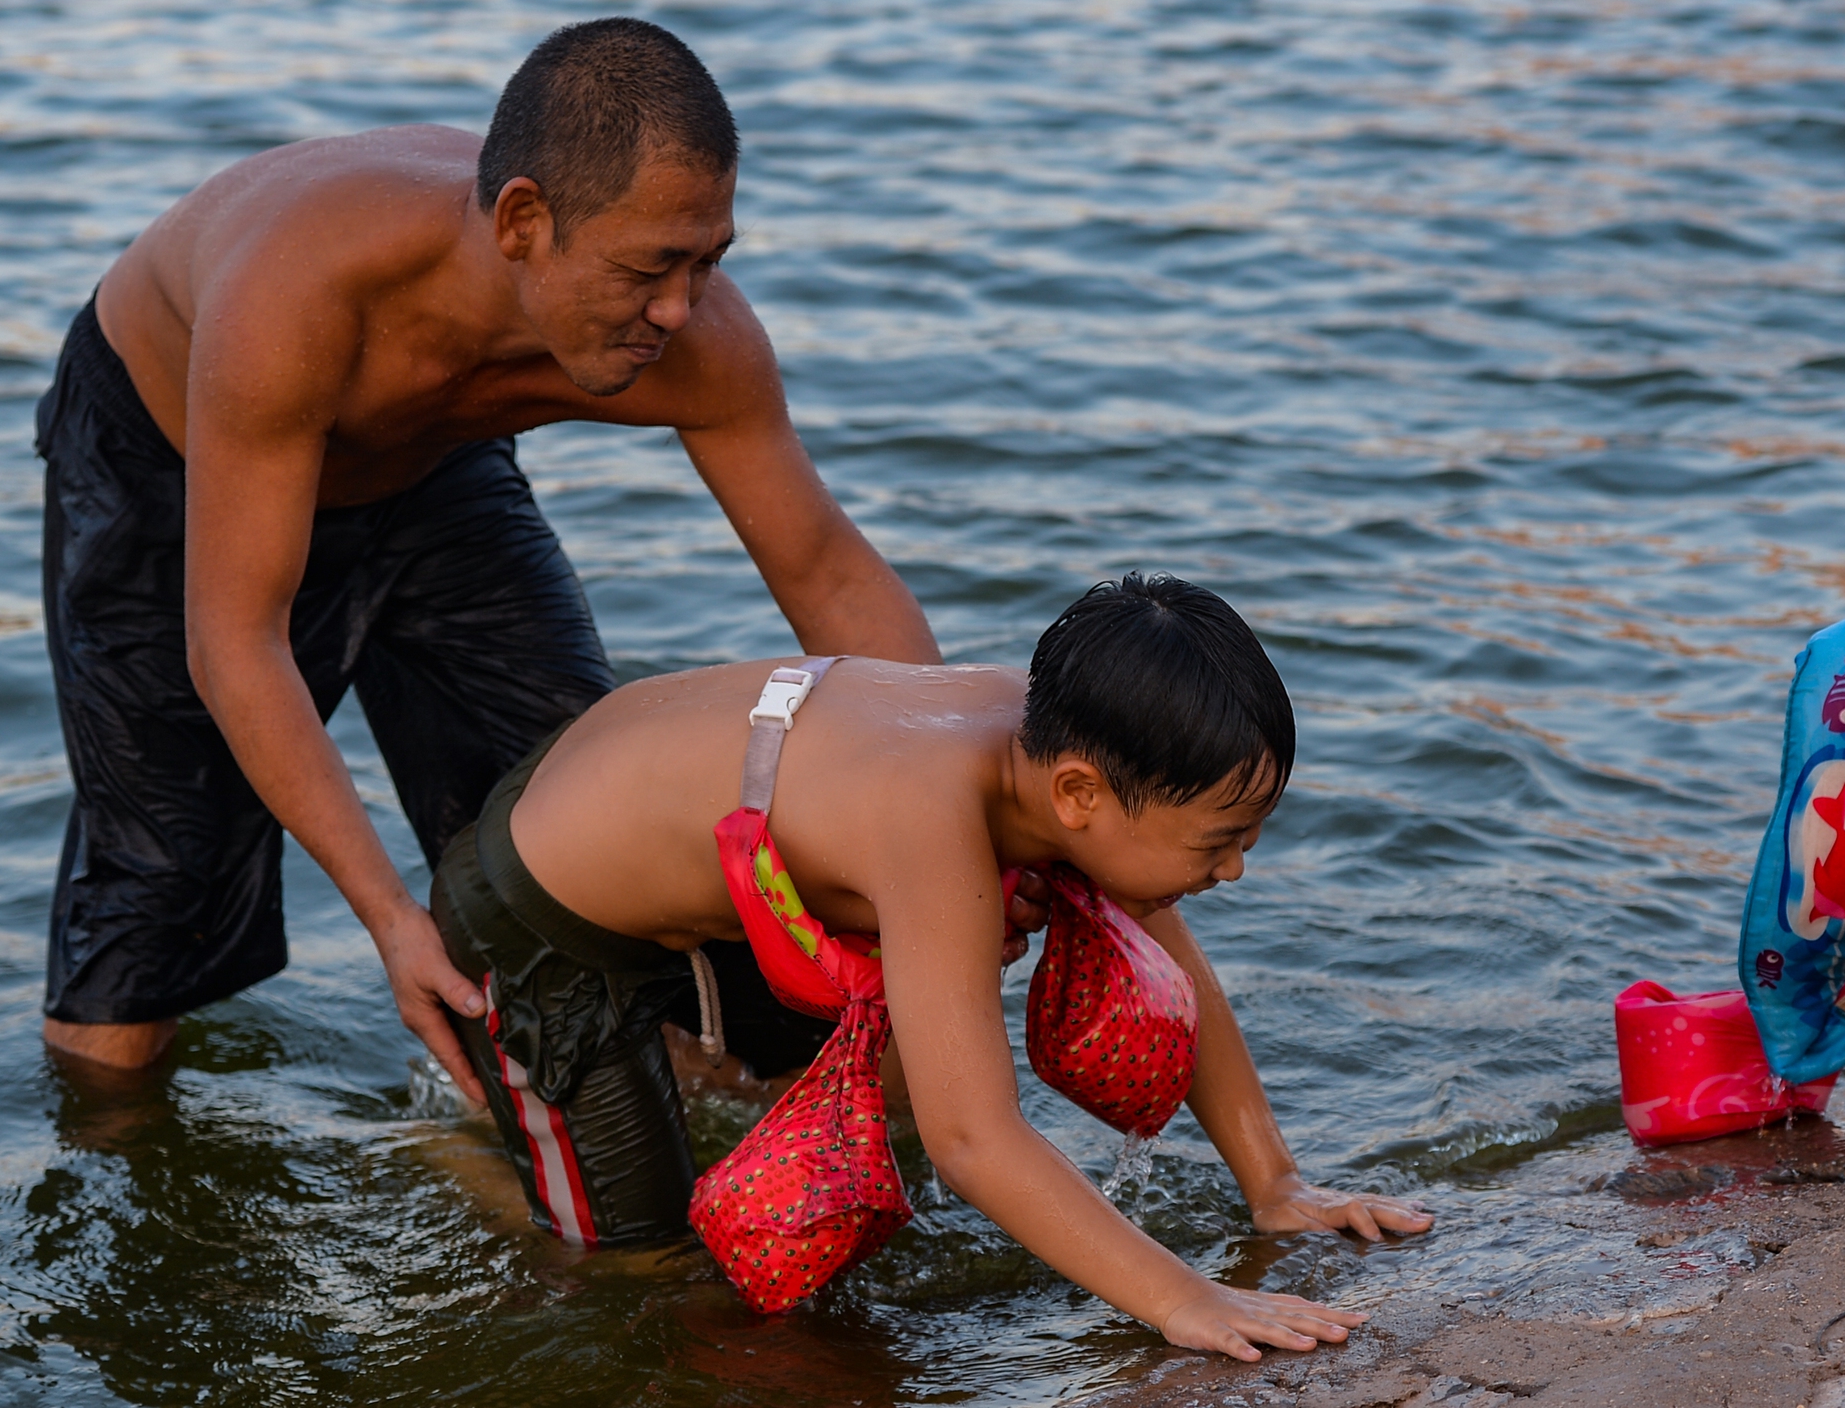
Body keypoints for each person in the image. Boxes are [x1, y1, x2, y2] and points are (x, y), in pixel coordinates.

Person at [33, 17, 957, 1092]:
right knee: (161, 878)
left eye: (708, 260)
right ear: (523, 221)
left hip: (431, 462)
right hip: (175, 460)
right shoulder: (296, 301)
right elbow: (234, 642)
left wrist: (952, 802)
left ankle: (624, 1109)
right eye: (649, 267)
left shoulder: (695, 339)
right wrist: (390, 920)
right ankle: (103, 1143)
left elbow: (830, 574)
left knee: (566, 818)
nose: (679, 307)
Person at [430, 573, 1434, 1361]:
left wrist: (1275, 1182)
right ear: (1080, 793)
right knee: (641, 1260)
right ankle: (451, 1152)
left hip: (684, 839)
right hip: (541, 912)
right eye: (1217, 839)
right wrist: (1180, 1296)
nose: (1234, 867)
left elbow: (1169, 951)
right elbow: (971, 1138)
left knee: (887, 1093)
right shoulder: (935, 821)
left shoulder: (1053, 745)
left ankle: (667, 1069)